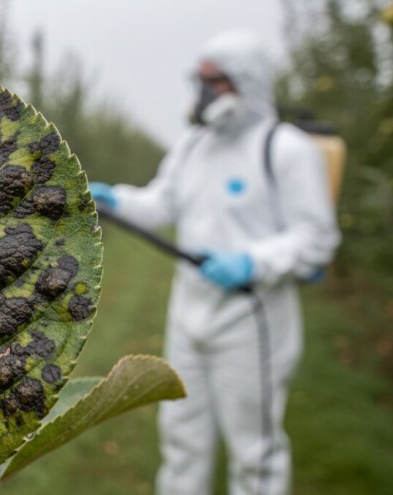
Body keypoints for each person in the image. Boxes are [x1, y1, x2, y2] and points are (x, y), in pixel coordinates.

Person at [90, 30, 340, 495]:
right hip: (189, 314)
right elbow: (161, 203)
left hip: (251, 317)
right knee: (181, 434)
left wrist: (252, 261)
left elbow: (317, 239)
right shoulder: (194, 146)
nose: (203, 92)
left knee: (254, 448)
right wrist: (116, 201)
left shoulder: (285, 149)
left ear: (246, 83)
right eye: (200, 80)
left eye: (215, 80)